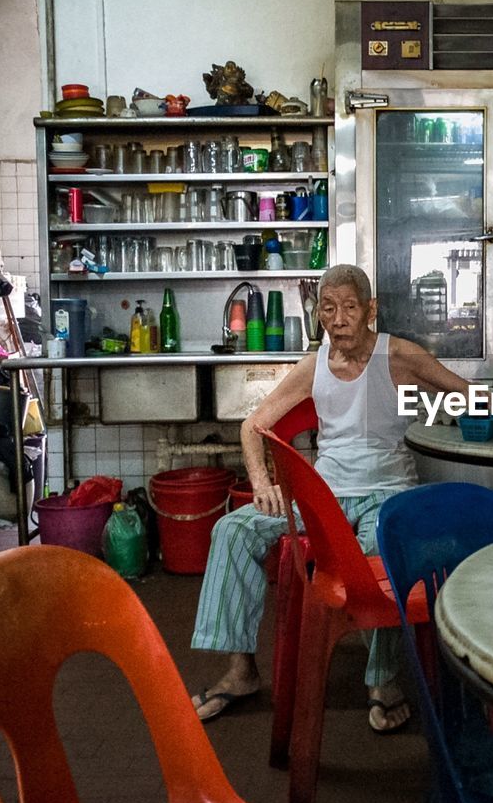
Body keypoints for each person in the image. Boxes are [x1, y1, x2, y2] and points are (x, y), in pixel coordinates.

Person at [190, 264, 469, 731]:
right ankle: (240, 672)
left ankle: (381, 680)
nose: (338, 319)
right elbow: (252, 425)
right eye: (328, 308)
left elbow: (470, 398)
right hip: (326, 495)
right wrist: (261, 481)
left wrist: (474, 410)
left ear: (371, 311)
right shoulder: (313, 365)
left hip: (389, 492)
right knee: (232, 528)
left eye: (349, 308)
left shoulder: (400, 356)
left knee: (385, 545)